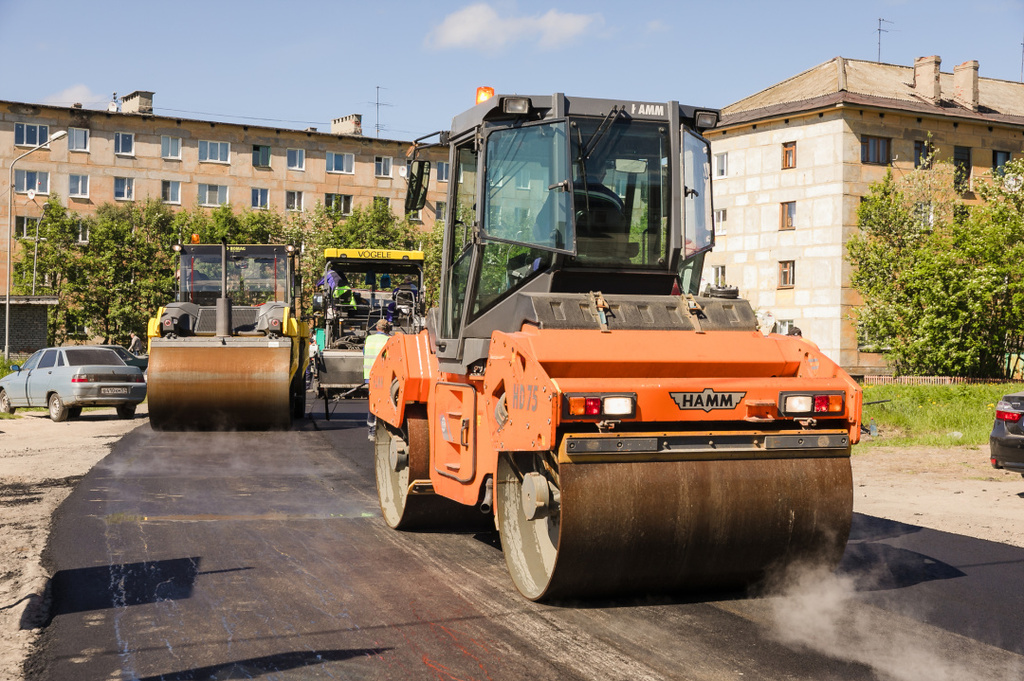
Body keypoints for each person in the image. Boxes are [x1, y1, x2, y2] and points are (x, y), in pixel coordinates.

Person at [363, 319, 393, 441]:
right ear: (387, 329)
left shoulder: (368, 339)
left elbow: (364, 354)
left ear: (377, 328)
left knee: (373, 403)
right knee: (385, 402)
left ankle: (371, 432)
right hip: (384, 377)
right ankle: (385, 431)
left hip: (370, 376)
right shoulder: (389, 340)